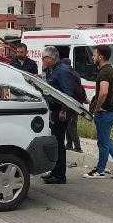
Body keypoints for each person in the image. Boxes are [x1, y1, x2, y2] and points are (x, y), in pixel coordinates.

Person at [84, 45, 113, 179]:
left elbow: (103, 92)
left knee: (102, 143)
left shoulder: (104, 72)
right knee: (106, 140)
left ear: (100, 57)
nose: (92, 57)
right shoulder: (110, 70)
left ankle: (100, 170)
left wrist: (97, 107)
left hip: (105, 112)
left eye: (94, 55)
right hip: (110, 111)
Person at [41, 46, 77, 184]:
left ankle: (60, 175)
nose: (42, 61)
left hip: (60, 112)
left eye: (44, 58)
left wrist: (63, 110)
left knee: (59, 144)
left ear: (50, 58)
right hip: (54, 111)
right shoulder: (53, 70)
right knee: (55, 144)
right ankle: (55, 171)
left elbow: (67, 93)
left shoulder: (62, 71)